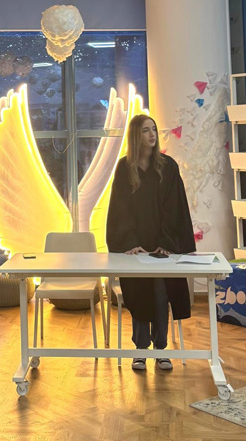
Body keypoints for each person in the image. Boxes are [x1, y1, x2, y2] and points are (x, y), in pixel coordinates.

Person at [106, 114, 196, 372]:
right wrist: (130, 242)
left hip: (161, 249)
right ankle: (140, 349)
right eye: (146, 130)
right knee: (139, 293)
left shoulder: (168, 167)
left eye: (154, 129)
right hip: (135, 250)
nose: (152, 134)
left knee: (160, 293)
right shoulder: (125, 168)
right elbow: (120, 210)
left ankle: (160, 349)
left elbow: (175, 209)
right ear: (136, 135)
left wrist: (166, 242)